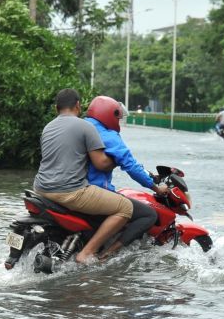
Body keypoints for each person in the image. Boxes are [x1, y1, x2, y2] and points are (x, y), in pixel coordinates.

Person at [33, 88, 131, 264]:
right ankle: (87, 253)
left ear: (57, 108)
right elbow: (101, 163)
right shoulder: (86, 126)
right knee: (125, 207)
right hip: (70, 191)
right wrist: (118, 159)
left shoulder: (48, 127)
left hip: (41, 189)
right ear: (78, 106)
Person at [85, 96, 165, 259]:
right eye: (117, 118)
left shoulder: (82, 126)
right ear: (109, 115)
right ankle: (107, 254)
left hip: (70, 187)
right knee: (149, 214)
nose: (118, 122)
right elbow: (131, 166)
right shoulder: (109, 135)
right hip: (96, 191)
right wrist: (155, 187)